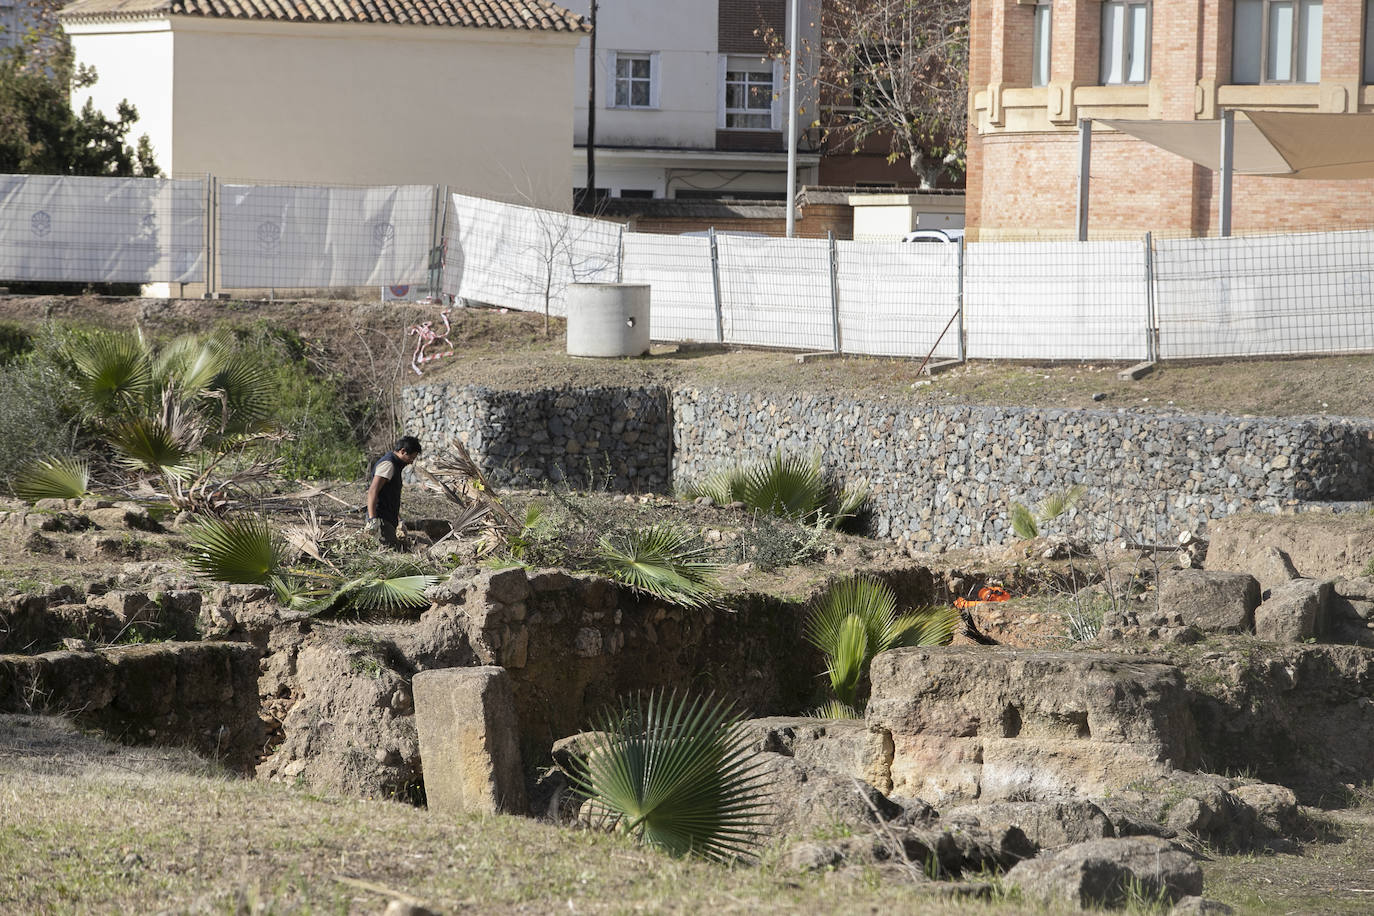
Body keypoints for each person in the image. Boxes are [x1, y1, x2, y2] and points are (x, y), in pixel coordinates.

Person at [365, 435, 422, 548]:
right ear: (403, 451)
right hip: (380, 519)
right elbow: (372, 491)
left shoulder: (395, 465)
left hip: (388, 519)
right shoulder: (388, 465)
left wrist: (399, 521)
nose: (411, 462)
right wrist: (372, 519)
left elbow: (390, 497)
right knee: (391, 550)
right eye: (411, 458)